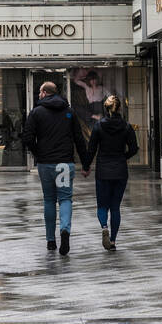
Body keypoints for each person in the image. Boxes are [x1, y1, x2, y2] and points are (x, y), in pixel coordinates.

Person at [23, 80, 88, 255]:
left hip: (46, 164)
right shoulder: (69, 111)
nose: (38, 95)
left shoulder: (36, 112)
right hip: (65, 164)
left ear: (44, 93)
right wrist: (86, 163)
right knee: (65, 199)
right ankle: (65, 230)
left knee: (49, 200)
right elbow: (79, 139)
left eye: (39, 91)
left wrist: (38, 154)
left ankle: (51, 240)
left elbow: (27, 137)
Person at [82, 95, 139, 251]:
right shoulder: (127, 127)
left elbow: (92, 149)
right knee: (115, 207)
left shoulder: (99, 126)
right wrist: (123, 157)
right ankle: (113, 241)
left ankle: (104, 227)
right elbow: (134, 149)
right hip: (120, 170)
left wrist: (86, 166)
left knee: (102, 205)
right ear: (120, 108)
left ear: (105, 109)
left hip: (103, 171)